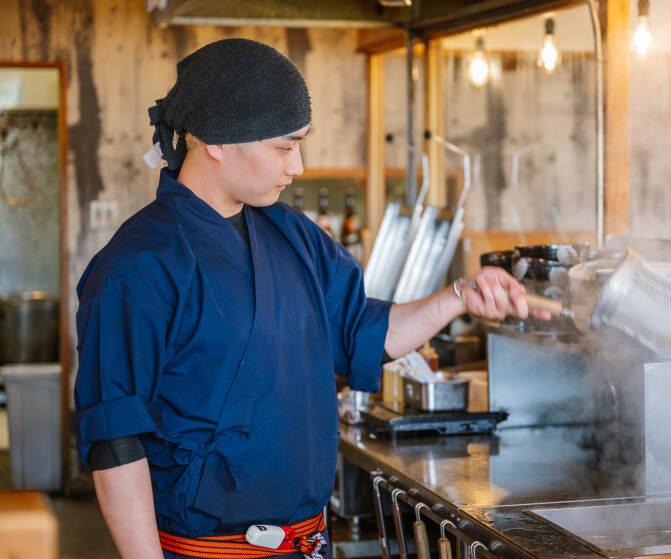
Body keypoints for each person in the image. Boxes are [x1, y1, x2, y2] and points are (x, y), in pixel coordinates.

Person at [74, 38, 530, 559]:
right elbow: (116, 440)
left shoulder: (294, 236)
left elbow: (363, 333)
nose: (299, 167)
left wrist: (458, 297)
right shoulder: (136, 266)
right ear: (220, 141)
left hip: (307, 546)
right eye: (285, 147)